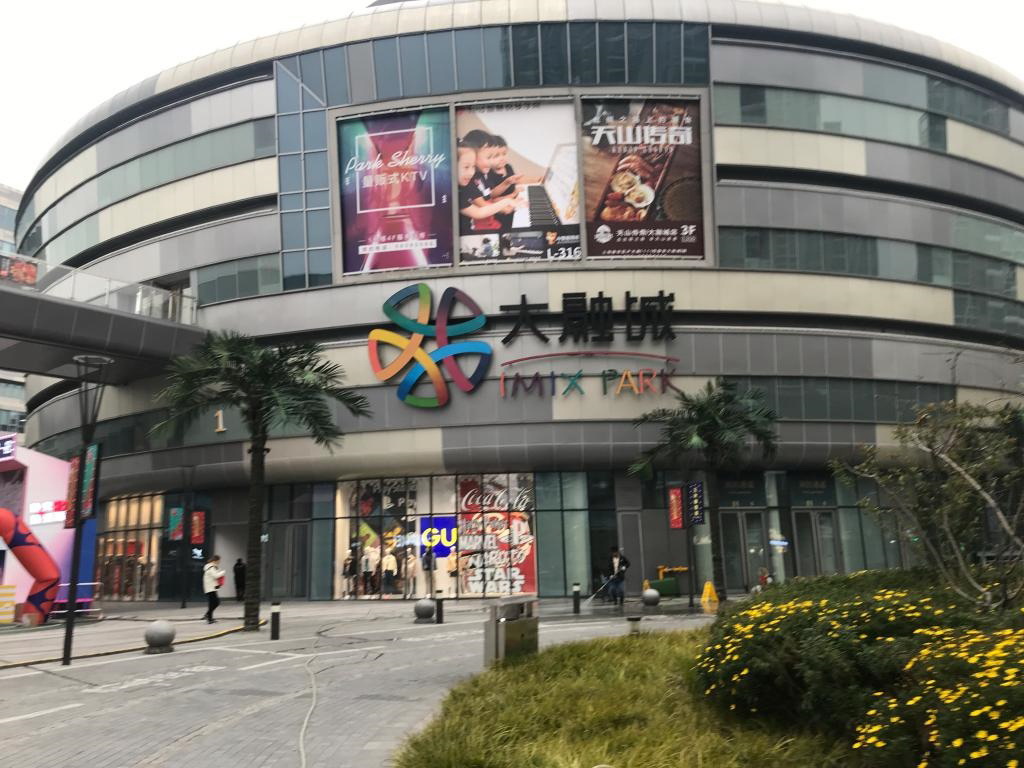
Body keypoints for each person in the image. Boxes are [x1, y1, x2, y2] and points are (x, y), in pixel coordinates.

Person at [456, 141, 519, 234]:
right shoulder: (458, 192)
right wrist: (507, 201)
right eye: (466, 167)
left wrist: (510, 196)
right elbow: (479, 212)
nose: (471, 172)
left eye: (473, 167)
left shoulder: (469, 182)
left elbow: (490, 196)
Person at [202, 555, 226, 624]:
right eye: (219, 560)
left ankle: (209, 617)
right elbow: (216, 576)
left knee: (212, 603)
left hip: (211, 587)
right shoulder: (211, 567)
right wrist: (223, 572)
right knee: (216, 602)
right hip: (210, 588)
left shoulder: (211, 567)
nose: (219, 562)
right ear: (215, 560)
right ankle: (208, 615)